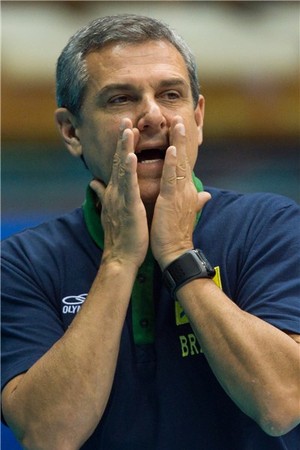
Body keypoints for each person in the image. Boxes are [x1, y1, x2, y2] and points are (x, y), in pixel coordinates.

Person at [1, 14, 299, 450]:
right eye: (121, 99)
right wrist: (119, 260)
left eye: (171, 95)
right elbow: (48, 435)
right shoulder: (23, 262)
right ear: (71, 131)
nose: (152, 115)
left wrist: (179, 254)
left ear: (198, 116)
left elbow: (283, 404)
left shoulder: (267, 227)